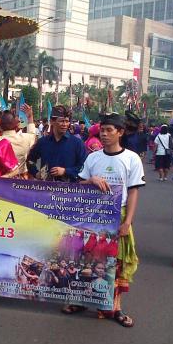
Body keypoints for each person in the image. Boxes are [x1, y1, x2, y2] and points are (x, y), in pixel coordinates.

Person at [63, 113, 145, 328]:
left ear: (120, 132)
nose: (105, 134)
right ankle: (81, 302)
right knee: (87, 261)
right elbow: (80, 186)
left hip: (117, 216)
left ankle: (115, 307)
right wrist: (90, 180)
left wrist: (128, 222)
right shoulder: (93, 158)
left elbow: (134, 192)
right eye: (103, 130)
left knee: (114, 265)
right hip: (92, 216)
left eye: (110, 130)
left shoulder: (132, 159)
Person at [27, 105, 87, 182]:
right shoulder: (43, 142)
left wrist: (65, 171)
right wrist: (36, 173)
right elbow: (30, 160)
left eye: (67, 121)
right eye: (61, 121)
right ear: (52, 121)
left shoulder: (77, 143)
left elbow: (84, 167)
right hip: (46, 189)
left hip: (69, 190)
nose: (65, 124)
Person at [0, 103, 37, 179]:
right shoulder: (24, 138)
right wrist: (30, 117)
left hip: (0, 181)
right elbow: (32, 135)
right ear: (17, 125)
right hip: (21, 181)